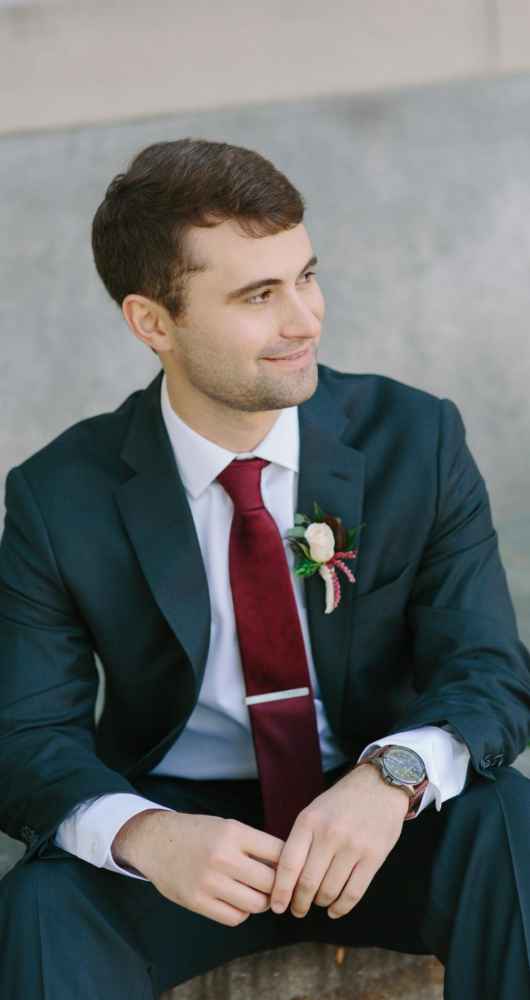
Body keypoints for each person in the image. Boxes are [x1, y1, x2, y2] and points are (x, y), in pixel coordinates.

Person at [0, 138, 529, 999]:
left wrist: (391, 779)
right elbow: (25, 736)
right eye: (258, 295)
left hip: (378, 814)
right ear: (152, 323)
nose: (305, 320)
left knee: (508, 823)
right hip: (184, 838)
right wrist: (143, 833)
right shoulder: (59, 496)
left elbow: (489, 671)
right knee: (40, 907)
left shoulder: (417, 440)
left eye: (306, 277)